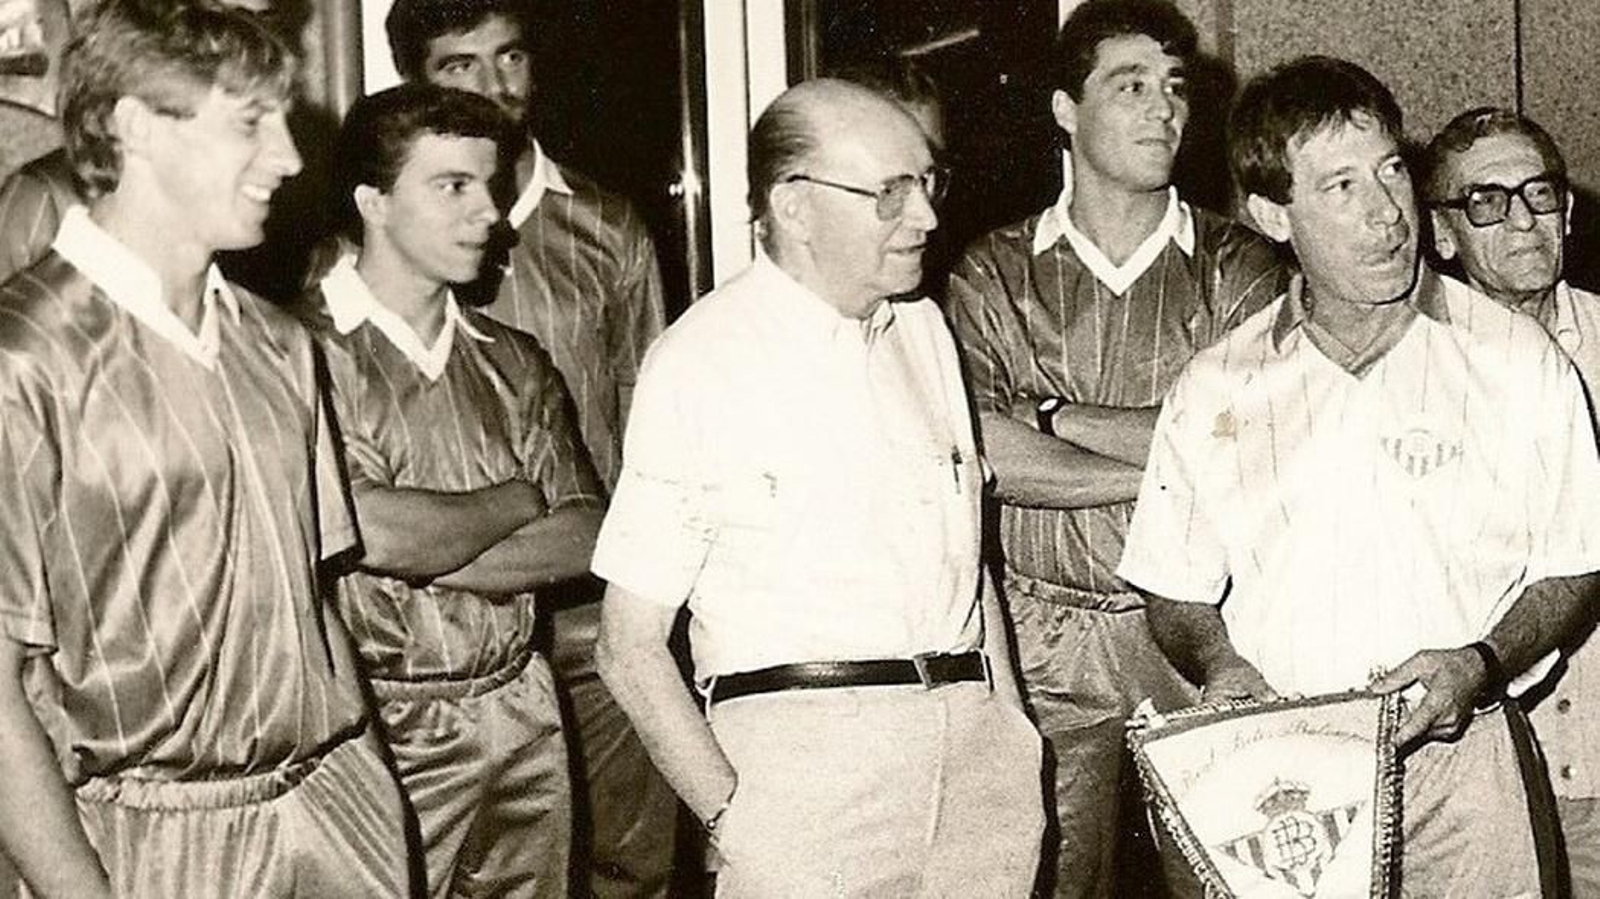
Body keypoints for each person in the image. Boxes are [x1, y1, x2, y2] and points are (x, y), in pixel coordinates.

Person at [1117, 56, 1600, 896]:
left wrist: (1479, 662)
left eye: (1390, 172)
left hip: (1468, 754)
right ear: (1274, 212)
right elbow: (1173, 585)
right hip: (1287, 774)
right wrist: (1219, 660)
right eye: (1340, 187)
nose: (1387, 215)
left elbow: (1576, 562)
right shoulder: (1216, 385)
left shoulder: (1519, 360)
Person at [593, 78, 1044, 897]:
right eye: (890, 193)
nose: (928, 219)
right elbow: (627, 645)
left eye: (928, 183)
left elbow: (967, 556)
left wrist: (1011, 733)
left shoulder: (924, 330)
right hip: (806, 782)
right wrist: (735, 816)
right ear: (793, 206)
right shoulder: (702, 361)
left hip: (978, 777)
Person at [0, 2, 411, 896]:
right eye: (250, 122)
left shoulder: (281, 343)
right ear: (136, 124)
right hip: (148, 845)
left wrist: (377, 820)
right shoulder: (21, 358)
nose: (291, 158)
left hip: (335, 813)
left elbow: (317, 604)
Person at [943, 1, 1285, 894]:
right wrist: (1176, 461)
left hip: (1206, 630)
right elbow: (984, 452)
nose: (1162, 109)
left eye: (1174, 88)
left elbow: (1255, 441)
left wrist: (1050, 413)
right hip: (1043, 637)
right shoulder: (993, 270)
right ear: (1065, 109)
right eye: (1129, 86)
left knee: (1235, 871)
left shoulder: (1242, 266)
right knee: (1047, 877)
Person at [383, 3, 676, 893]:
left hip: (596, 618)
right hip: (439, 645)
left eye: (508, 57)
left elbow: (652, 433)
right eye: (460, 66)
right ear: (416, 83)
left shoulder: (607, 227)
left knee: (630, 867)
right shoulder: (372, 242)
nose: (494, 85)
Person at [308, 82, 605, 898]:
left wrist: (410, 540)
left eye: (492, 186)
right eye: (453, 186)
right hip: (382, 726)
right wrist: (515, 499)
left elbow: (587, 532)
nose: (492, 214)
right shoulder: (303, 352)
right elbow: (372, 528)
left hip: (524, 711)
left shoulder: (511, 358)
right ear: (374, 201)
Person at [1424, 106, 1600, 895]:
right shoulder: (1414, 372)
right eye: (1487, 202)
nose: (1524, 219)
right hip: (1480, 772)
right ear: (1442, 232)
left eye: (1540, 192)